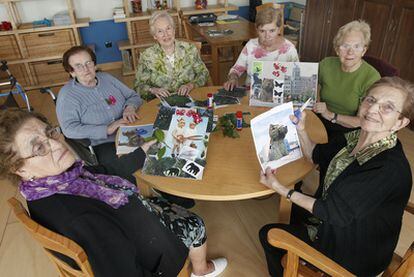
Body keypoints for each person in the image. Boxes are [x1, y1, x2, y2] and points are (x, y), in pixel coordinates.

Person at [0, 108, 228, 277]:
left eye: (50, 133)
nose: (56, 144)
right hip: (157, 259)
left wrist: (143, 152)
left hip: (130, 227)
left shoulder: (56, 183)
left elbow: (103, 171)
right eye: (38, 147)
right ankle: (201, 270)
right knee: (194, 222)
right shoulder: (79, 218)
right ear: (19, 168)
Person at [259, 77, 414, 276]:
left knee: (268, 234)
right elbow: (315, 154)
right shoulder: (356, 136)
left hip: (355, 251)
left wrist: (282, 190)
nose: (373, 109)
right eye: (371, 100)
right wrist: (301, 128)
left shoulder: (386, 168)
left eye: (387, 107)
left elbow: (334, 213)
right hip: (342, 219)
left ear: (400, 122)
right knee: (291, 211)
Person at [56, 45, 144, 184]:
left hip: (130, 130)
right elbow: (69, 128)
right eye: (78, 66)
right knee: (130, 169)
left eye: (88, 63)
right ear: (72, 72)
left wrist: (130, 108)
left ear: (94, 64)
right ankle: (146, 199)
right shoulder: (67, 95)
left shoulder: (107, 78)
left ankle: (171, 195)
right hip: (103, 143)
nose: (86, 69)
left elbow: (132, 96)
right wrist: (107, 129)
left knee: (155, 150)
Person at [314, 20, 381, 139]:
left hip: (347, 130)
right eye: (345, 46)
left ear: (364, 50)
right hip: (318, 118)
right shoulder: (326, 64)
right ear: (337, 49)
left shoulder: (371, 78)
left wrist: (330, 115)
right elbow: (314, 85)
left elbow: (362, 121)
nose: (350, 52)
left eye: (357, 46)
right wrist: (318, 103)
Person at [134, 11, 209, 101]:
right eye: (160, 31)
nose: (166, 34)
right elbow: (138, 86)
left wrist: (190, 85)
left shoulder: (189, 49)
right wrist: (153, 90)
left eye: (168, 28)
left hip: (191, 98)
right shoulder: (147, 56)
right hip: (162, 103)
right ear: (155, 36)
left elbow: (203, 73)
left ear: (174, 30)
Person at [223, 7, 299, 91]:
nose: (267, 36)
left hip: (280, 95)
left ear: (279, 29)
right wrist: (233, 79)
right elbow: (236, 70)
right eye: (262, 31)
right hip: (251, 94)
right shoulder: (251, 46)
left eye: (272, 31)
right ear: (257, 30)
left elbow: (297, 78)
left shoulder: (290, 50)